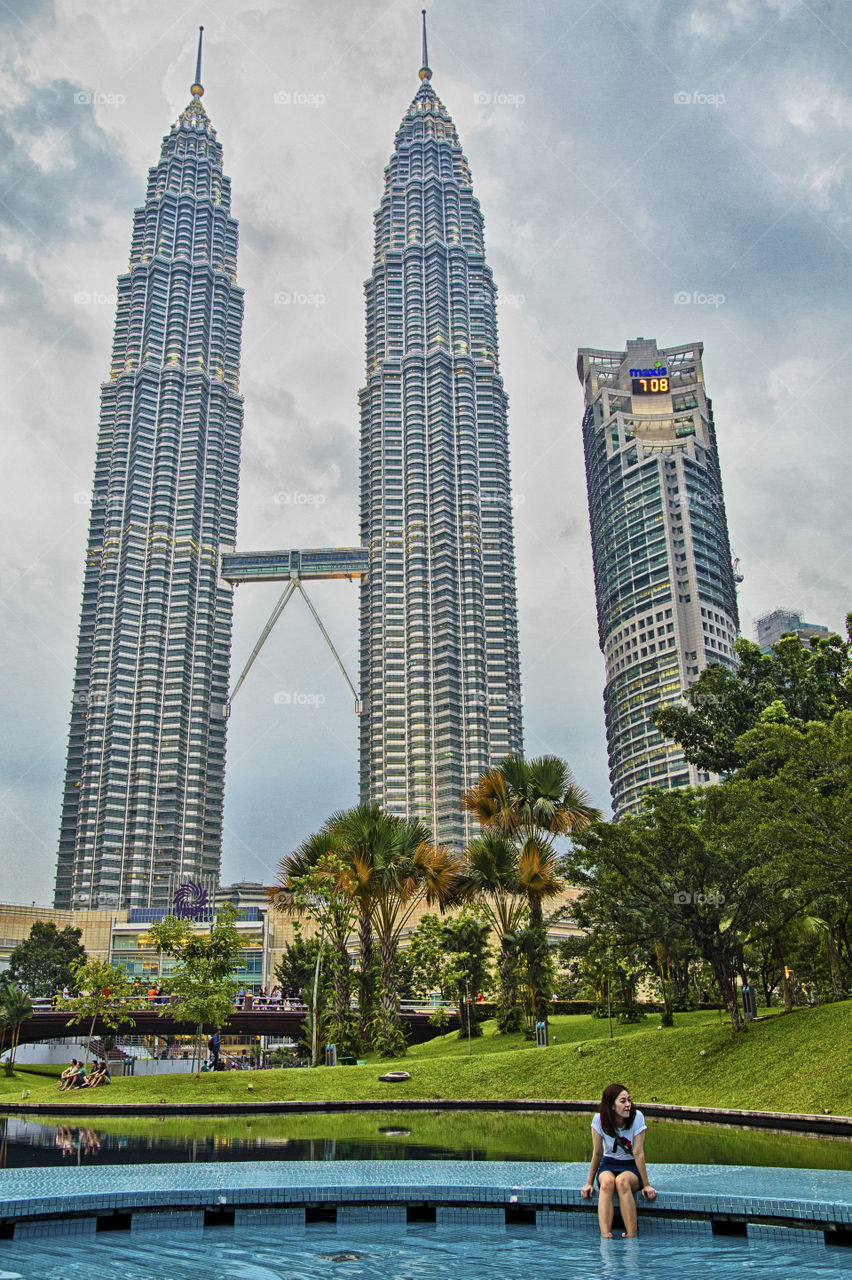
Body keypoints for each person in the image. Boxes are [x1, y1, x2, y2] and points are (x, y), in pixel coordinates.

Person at [581, 1083, 657, 1237]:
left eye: (629, 1100)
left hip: (631, 1166)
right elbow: (597, 1153)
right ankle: (605, 1236)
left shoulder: (637, 1117)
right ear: (612, 1106)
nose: (628, 1105)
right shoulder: (599, 1120)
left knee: (622, 1181)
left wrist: (646, 1185)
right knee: (608, 1182)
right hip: (609, 1163)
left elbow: (638, 1153)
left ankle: (631, 1235)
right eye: (623, 1101)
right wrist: (589, 1183)